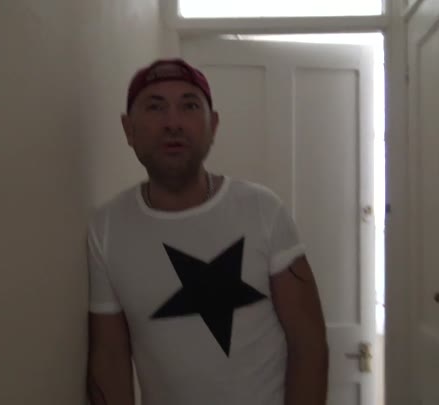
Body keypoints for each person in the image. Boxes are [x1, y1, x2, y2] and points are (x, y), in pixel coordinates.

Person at [86, 58, 329, 405]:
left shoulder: (262, 210)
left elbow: (309, 345)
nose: (173, 123)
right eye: (155, 107)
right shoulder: (107, 228)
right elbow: (109, 359)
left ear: (212, 125)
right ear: (129, 129)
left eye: (189, 106)